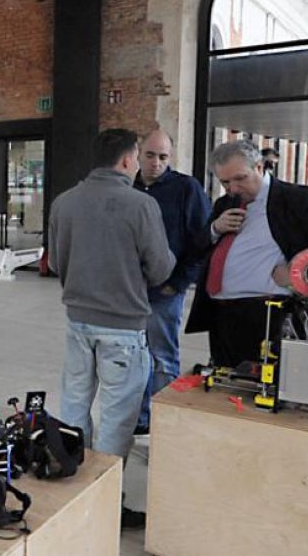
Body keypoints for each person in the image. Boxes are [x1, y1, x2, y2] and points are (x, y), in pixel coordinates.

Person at [49, 129, 174, 529]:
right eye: (139, 157)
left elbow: (55, 263)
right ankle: (103, 508)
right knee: (118, 418)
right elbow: (160, 268)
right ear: (126, 160)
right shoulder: (140, 205)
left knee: (73, 405)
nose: (141, 164)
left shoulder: (64, 202)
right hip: (122, 327)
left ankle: (72, 484)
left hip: (77, 320)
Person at [185, 140, 308, 368]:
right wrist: (215, 229)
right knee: (226, 390)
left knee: (269, 392)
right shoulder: (225, 203)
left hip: (273, 316)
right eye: (225, 182)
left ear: (260, 167)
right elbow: (196, 249)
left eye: (240, 178)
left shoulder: (296, 199)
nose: (233, 188)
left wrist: (299, 270)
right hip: (225, 316)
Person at [132, 131, 210, 434]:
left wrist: (177, 283)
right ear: (139, 154)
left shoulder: (186, 189)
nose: (155, 163)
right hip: (129, 291)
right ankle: (139, 420)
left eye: (163, 157)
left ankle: (163, 425)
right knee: (132, 358)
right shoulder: (128, 187)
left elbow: (201, 242)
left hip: (165, 290)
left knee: (162, 357)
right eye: (150, 155)